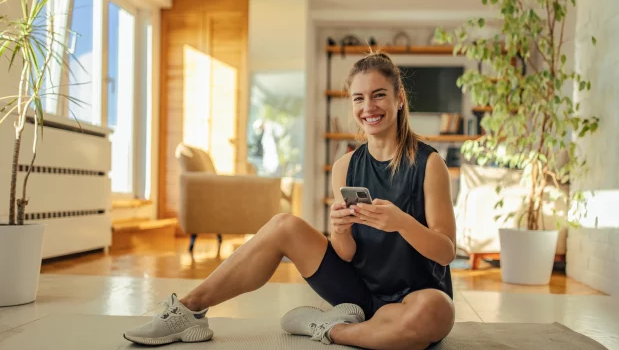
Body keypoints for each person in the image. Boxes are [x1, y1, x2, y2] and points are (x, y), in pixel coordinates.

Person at [123, 51, 457, 350]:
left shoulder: (429, 164)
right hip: (358, 293)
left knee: (438, 312)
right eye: (358, 98)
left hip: (415, 298)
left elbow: (446, 252)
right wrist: (339, 230)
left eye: (379, 95)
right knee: (284, 224)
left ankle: (331, 329)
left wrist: (401, 222)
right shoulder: (345, 166)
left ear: (399, 99)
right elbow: (345, 254)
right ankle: (189, 309)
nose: (368, 107)